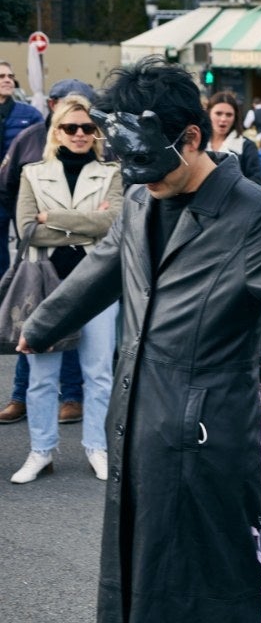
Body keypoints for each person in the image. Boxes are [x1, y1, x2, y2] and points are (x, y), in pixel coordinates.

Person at [16, 56, 261, 622]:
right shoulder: (138, 198)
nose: (145, 178)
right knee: (137, 570)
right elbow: (100, 269)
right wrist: (39, 325)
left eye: (153, 164)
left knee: (216, 579)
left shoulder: (252, 213)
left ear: (192, 137)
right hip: (137, 418)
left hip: (207, 432)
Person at [9, 94, 122, 483]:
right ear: (55, 131)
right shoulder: (32, 173)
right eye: (70, 127)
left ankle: (97, 447)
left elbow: (115, 225)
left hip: (98, 282)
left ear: (96, 133)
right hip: (46, 282)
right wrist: (87, 221)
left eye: (87, 128)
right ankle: (41, 450)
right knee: (42, 374)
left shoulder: (111, 172)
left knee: (99, 371)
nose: (79, 134)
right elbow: (27, 228)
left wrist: (52, 218)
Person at [0, 78, 93, 426]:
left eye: (85, 118)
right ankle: (19, 397)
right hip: (38, 259)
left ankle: (72, 396)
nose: (79, 128)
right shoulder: (29, 140)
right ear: (52, 105)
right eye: (71, 120)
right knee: (30, 325)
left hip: (84, 258)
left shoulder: (98, 145)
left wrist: (53, 220)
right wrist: (35, 228)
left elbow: (110, 217)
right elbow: (10, 190)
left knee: (72, 328)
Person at [0, 59, 45, 276]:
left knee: (27, 244)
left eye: (10, 76)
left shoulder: (29, 115)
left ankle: (26, 289)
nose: (8, 80)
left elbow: (42, 150)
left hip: (21, 191)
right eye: (2, 77)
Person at [208, 91, 261, 184]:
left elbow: (256, 183)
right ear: (209, 114)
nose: (223, 119)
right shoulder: (196, 144)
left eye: (229, 115)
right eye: (218, 113)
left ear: (235, 117)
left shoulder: (247, 146)